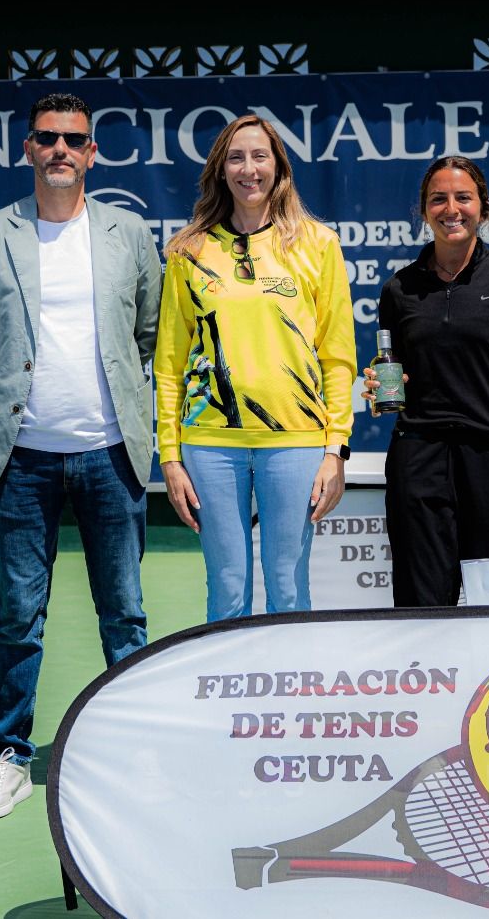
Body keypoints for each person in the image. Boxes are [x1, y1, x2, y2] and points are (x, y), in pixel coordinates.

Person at [0, 92, 161, 821]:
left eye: (75, 139)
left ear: (93, 153)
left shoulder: (128, 233)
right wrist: (12, 389)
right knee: (19, 614)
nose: (61, 150)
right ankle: (10, 754)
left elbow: (150, 333)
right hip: (21, 461)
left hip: (110, 455)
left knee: (125, 615)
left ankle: (131, 750)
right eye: (47, 139)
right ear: (27, 150)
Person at [155, 115, 355, 621]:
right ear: (220, 171)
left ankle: (292, 696)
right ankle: (227, 701)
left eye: (259, 157)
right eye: (236, 158)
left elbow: (337, 357)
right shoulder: (188, 251)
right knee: (227, 589)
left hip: (295, 441)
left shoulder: (317, 244)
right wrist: (170, 456)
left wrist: (335, 450)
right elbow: (169, 364)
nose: (249, 169)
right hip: (210, 443)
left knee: (289, 589)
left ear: (279, 168)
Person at [364, 157, 489, 606]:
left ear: (483, 209)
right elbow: (398, 373)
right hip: (419, 460)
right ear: (424, 212)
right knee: (420, 602)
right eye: (439, 199)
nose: (452, 209)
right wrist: (380, 388)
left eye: (463, 198)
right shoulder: (399, 289)